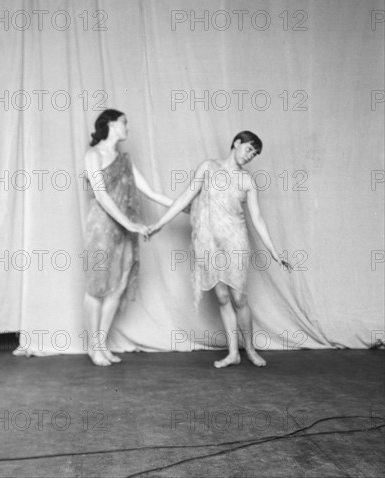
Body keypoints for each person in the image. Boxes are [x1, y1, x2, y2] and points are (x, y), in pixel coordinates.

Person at [148, 131, 292, 368]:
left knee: (238, 297)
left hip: (235, 241)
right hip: (209, 243)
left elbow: (257, 218)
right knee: (223, 297)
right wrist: (159, 224)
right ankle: (233, 353)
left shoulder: (247, 181)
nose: (250, 156)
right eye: (248, 149)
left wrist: (275, 253)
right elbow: (186, 197)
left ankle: (251, 350)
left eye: (254, 154)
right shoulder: (208, 167)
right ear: (237, 143)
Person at [84, 109, 173, 366]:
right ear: (111, 124)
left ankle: (100, 345)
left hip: (124, 228)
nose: (127, 127)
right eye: (124, 122)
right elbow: (100, 195)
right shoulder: (93, 154)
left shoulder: (125, 160)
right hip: (102, 227)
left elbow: (151, 192)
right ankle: (94, 348)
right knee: (96, 287)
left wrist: (182, 206)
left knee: (119, 286)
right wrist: (131, 225)